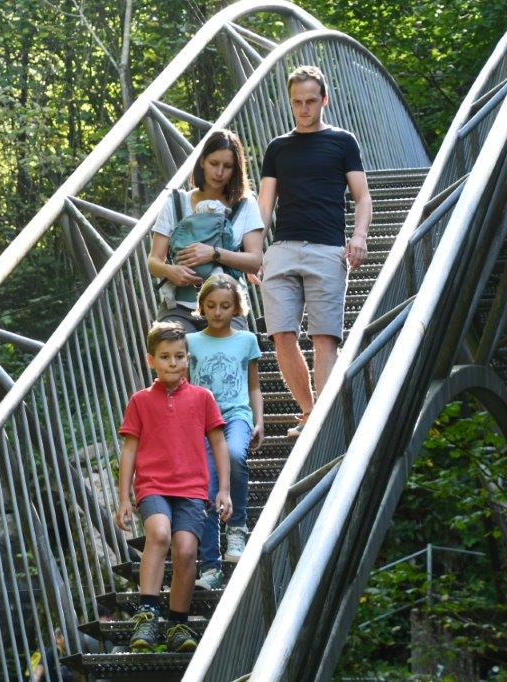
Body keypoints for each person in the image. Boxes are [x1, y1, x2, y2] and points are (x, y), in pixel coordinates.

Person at [257, 65, 372, 438]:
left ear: (324, 100)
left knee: (324, 337)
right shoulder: (278, 147)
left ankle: (322, 422)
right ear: (290, 103)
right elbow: (264, 205)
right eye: (297, 102)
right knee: (281, 334)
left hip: (327, 249)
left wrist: (359, 236)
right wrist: (254, 251)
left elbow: (362, 196)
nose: (304, 109)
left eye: (310, 101)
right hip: (282, 248)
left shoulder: (343, 142)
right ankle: (309, 413)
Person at [114, 322, 232, 653]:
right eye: (165, 357)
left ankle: (178, 622)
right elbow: (129, 450)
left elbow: (219, 443)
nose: (173, 362)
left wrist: (223, 489)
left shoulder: (203, 398)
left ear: (187, 358)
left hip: (192, 489)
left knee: (186, 550)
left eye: (179, 356)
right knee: (159, 534)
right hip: (153, 485)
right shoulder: (139, 401)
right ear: (151, 360)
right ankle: (147, 614)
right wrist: (124, 498)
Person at [187, 274, 263, 591]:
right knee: (205, 487)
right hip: (202, 423)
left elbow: (254, 386)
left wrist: (259, 420)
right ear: (202, 307)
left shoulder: (247, 340)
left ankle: (237, 528)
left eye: (225, 306)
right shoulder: (190, 342)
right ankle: (210, 566)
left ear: (236, 308)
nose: (218, 312)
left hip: (236, 415)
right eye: (212, 305)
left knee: (233, 454)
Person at [148, 129, 264, 333]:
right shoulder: (176, 202)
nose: (219, 172)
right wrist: (170, 271)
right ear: (202, 161)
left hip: (227, 307)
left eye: (227, 166)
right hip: (179, 307)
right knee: (169, 343)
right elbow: (154, 261)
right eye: (214, 163)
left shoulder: (245, 204)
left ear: (236, 169)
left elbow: (255, 261)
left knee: (231, 349)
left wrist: (214, 254)